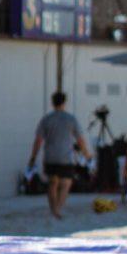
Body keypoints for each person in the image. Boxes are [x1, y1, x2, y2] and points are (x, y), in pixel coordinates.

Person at [28, 91, 91, 220]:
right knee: (66, 183)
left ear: (52, 103)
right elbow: (80, 139)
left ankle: (53, 209)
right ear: (64, 102)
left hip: (50, 155)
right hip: (65, 156)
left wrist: (33, 157)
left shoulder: (46, 119)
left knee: (52, 183)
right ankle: (58, 208)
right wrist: (86, 154)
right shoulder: (70, 119)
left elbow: (38, 140)